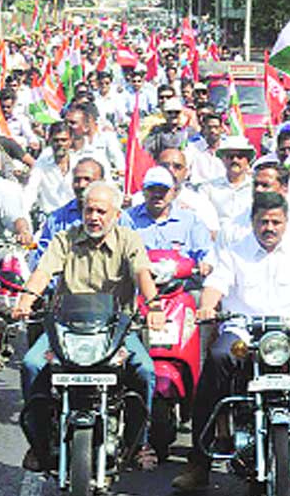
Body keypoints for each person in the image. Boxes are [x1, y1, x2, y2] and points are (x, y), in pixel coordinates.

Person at [171, 192, 290, 496]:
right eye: (263, 221)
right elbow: (216, 285)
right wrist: (208, 307)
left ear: (286, 222)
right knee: (216, 359)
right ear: (252, 222)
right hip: (244, 331)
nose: (269, 227)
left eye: (276, 222)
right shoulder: (234, 250)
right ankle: (199, 464)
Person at [12, 181, 165, 472]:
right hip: (65, 327)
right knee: (31, 364)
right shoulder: (64, 238)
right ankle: (39, 441)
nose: (94, 217)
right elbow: (43, 271)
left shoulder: (128, 239)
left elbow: (142, 272)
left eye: (101, 211)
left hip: (116, 330)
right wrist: (27, 298)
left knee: (145, 371)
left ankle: (139, 442)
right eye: (88, 210)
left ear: (116, 214)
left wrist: (154, 305)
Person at [122, 166, 213, 274]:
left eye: (163, 190)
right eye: (151, 189)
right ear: (143, 191)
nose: (157, 195)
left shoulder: (191, 221)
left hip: (182, 282)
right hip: (139, 281)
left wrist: (206, 264)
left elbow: (207, 252)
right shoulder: (128, 218)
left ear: (174, 192)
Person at [34, 157, 104, 262]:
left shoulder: (118, 218)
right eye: (77, 180)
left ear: (101, 182)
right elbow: (43, 260)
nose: (81, 185)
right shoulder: (57, 219)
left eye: (87, 179)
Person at [200, 135, 256, 228]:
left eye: (240, 156)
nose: (235, 160)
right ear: (223, 160)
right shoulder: (208, 188)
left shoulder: (256, 188)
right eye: (230, 156)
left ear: (247, 160)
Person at [23, 122, 75, 217]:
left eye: (64, 140)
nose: (60, 144)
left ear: (70, 141)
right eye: (56, 140)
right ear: (50, 140)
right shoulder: (42, 163)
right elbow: (31, 189)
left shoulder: (79, 164)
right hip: (50, 218)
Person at [185, 111, 226, 185]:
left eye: (216, 127)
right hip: (198, 189)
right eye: (209, 127)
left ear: (221, 129)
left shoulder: (228, 149)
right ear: (204, 129)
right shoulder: (192, 148)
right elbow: (185, 168)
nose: (212, 131)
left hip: (222, 189)